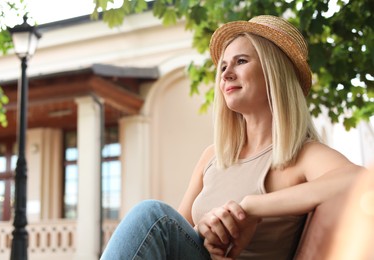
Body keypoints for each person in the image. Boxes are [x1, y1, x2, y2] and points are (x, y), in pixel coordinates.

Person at [100, 15, 363, 260]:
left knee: (151, 215)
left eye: (241, 61)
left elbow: (361, 181)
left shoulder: (304, 155)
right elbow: (172, 234)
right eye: (224, 66)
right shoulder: (212, 156)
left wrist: (251, 207)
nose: (225, 74)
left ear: (274, 73)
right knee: (154, 219)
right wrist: (204, 230)